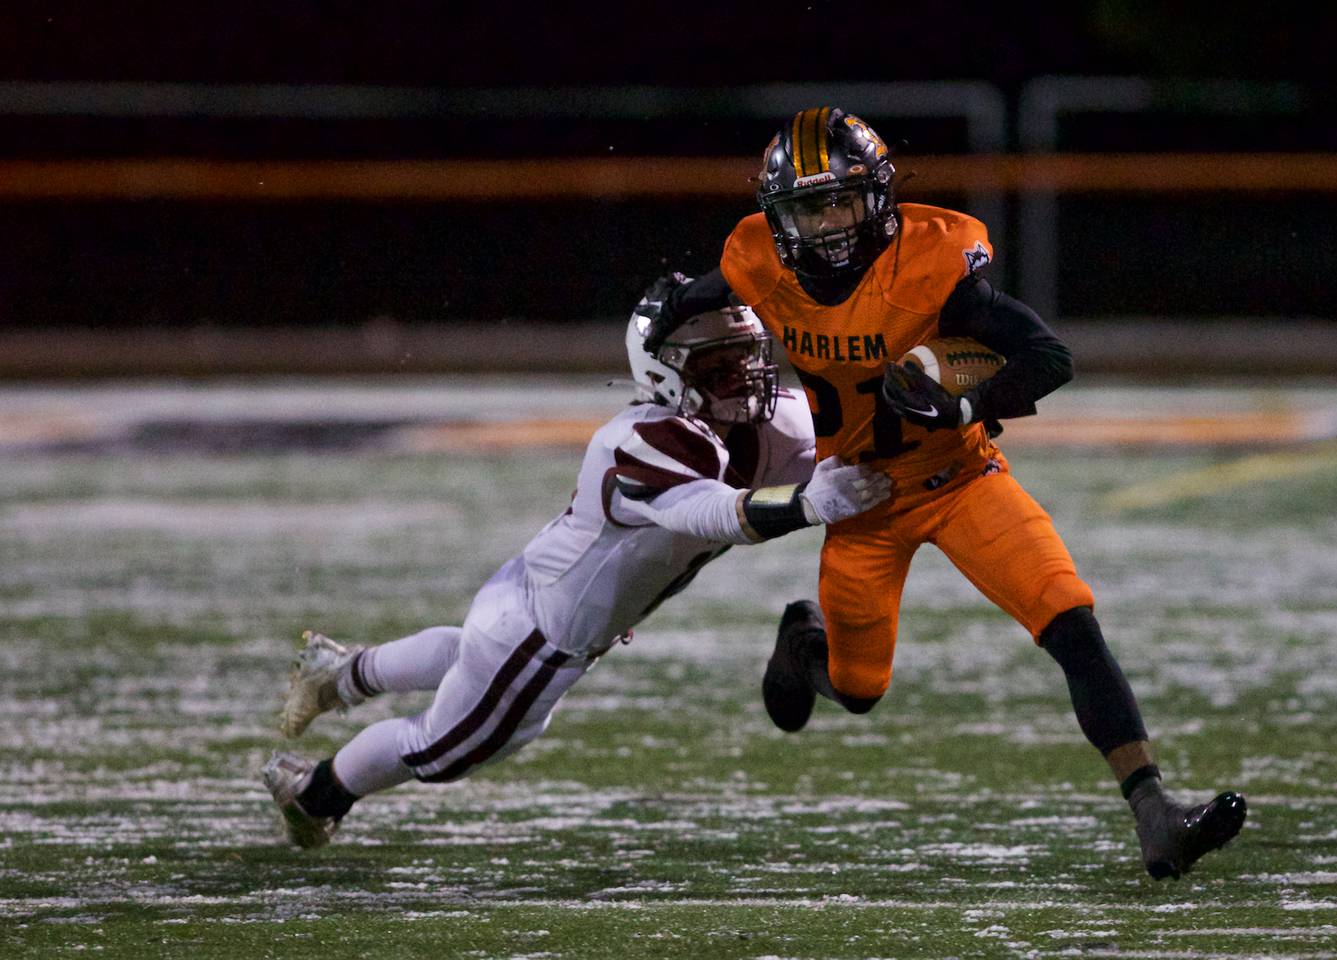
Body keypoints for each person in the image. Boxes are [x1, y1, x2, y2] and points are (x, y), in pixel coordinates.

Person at [638, 106, 1246, 880]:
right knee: (860, 690)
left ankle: (1154, 811)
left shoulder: (933, 262)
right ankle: (804, 642)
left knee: (1072, 622)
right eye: (807, 206)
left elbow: (1047, 357)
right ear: (778, 218)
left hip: (960, 478)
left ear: (879, 195)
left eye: (841, 200)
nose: (827, 224)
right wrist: (659, 312)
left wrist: (965, 403)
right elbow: (694, 296)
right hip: (860, 503)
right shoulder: (759, 261)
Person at [262, 298, 892, 848]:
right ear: (665, 373)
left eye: (747, 358)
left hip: (529, 588)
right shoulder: (646, 439)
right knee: (440, 749)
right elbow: (710, 512)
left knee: (469, 659)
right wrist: (807, 502)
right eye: (718, 367)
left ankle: (343, 675)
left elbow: (835, 438)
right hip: (545, 638)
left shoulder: (769, 420)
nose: (743, 379)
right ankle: (317, 792)